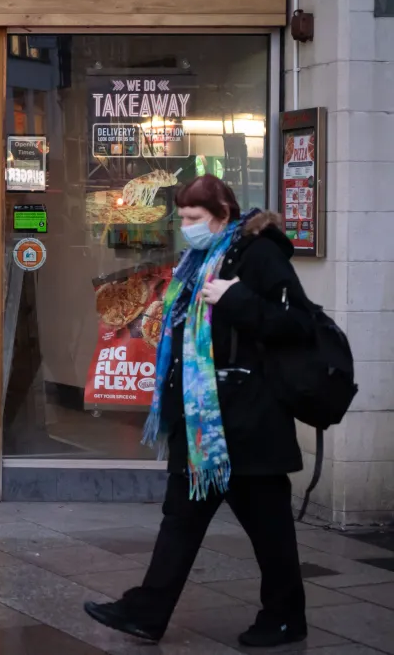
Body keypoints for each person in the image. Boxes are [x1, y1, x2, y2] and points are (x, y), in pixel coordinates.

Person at [84, 175, 313, 647]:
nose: (187, 226)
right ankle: (148, 613)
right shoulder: (198, 259)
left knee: (270, 530)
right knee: (181, 522)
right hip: (204, 421)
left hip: (249, 422)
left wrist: (238, 299)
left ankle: (286, 617)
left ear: (223, 214)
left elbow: (297, 323)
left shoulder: (259, 254)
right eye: (183, 217)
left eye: (195, 218)